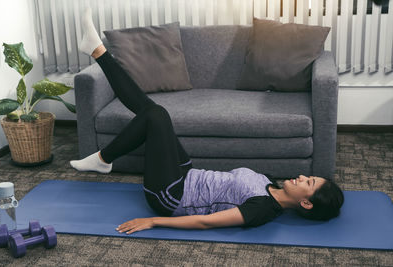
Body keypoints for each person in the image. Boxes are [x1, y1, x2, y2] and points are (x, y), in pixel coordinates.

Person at [70, 8, 344, 235]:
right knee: (151, 110)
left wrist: (154, 221)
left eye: (308, 182)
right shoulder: (271, 183)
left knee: (155, 115)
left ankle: (104, 157)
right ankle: (97, 51)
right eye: (309, 176)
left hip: (170, 195)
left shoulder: (262, 209)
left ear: (306, 203)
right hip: (186, 174)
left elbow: (206, 222)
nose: (302, 177)